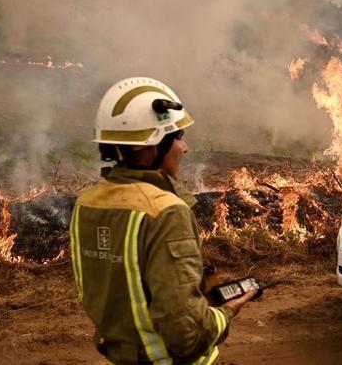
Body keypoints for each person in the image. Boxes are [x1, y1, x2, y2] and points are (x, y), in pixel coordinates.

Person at [70, 77, 255, 364]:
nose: (184, 147)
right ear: (153, 147)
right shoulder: (165, 211)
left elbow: (128, 293)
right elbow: (186, 335)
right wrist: (225, 313)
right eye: (178, 136)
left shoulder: (87, 203)